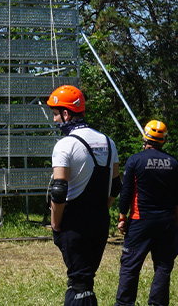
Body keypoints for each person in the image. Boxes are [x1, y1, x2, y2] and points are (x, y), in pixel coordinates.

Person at [48, 85, 120, 306]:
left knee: (79, 284)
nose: (54, 119)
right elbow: (116, 187)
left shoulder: (65, 145)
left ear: (67, 113)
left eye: (56, 113)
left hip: (74, 224)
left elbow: (59, 191)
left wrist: (55, 223)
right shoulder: (109, 142)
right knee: (85, 280)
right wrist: (100, 211)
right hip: (99, 222)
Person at [114, 120, 178, 306]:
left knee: (130, 266)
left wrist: (122, 217)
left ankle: (124, 304)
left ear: (145, 137)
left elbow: (126, 192)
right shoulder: (175, 164)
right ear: (164, 140)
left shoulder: (135, 160)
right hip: (167, 222)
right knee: (163, 266)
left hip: (140, 221)